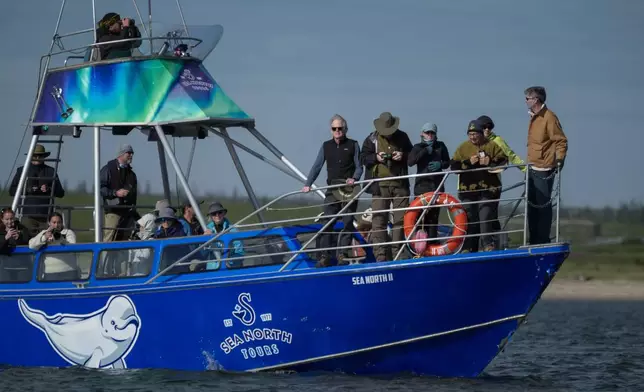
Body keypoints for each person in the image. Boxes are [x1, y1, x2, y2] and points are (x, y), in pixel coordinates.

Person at [302, 114, 363, 267]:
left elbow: (359, 166)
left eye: (340, 128)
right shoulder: (326, 146)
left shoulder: (354, 144)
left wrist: (354, 178)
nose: (337, 131)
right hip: (331, 190)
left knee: (348, 221)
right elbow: (317, 166)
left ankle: (342, 254)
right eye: (334, 128)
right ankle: (324, 256)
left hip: (349, 190)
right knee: (327, 221)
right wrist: (308, 184)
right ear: (331, 130)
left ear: (345, 129)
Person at [360, 111, 414, 262]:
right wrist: (376, 157)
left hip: (400, 185)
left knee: (400, 221)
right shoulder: (371, 139)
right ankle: (381, 256)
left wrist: (402, 155)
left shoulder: (403, 137)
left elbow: (412, 156)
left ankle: (399, 255)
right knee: (378, 221)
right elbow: (363, 157)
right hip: (379, 185)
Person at [450, 120, 508, 252]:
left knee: (485, 215)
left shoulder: (492, 145)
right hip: (468, 190)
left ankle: (488, 245)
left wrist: (490, 162)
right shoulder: (463, 147)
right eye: (470, 134)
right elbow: (453, 165)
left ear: (481, 134)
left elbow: (504, 161)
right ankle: (469, 247)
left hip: (488, 189)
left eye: (475, 134)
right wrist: (468, 162)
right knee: (469, 216)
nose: (472, 137)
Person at [524, 86, 568, 245]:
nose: (525, 102)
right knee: (531, 206)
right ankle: (533, 239)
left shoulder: (549, 117)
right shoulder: (534, 117)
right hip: (532, 166)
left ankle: (542, 239)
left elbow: (561, 140)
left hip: (544, 168)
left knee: (543, 205)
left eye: (527, 99)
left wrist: (559, 159)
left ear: (536, 100)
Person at [407, 122, 450, 244]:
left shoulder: (441, 146)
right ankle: (420, 247)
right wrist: (425, 151)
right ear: (422, 134)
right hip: (421, 187)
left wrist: (440, 164)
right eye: (427, 133)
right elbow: (411, 162)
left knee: (433, 218)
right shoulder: (417, 147)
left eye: (432, 133)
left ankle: (432, 245)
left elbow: (447, 162)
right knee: (421, 218)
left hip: (437, 186)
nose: (430, 135)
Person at [8, 144, 65, 237]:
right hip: (27, 216)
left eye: (40, 156)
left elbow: (61, 193)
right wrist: (27, 189)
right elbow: (12, 191)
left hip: (46, 217)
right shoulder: (21, 171)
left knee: (46, 242)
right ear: (30, 156)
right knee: (27, 242)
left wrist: (49, 189)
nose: (37, 158)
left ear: (44, 157)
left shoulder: (51, 171)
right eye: (35, 155)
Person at [99, 144, 139, 242]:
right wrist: (115, 193)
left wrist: (134, 212)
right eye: (128, 153)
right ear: (121, 154)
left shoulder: (132, 174)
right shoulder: (107, 169)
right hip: (113, 211)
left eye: (132, 153)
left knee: (124, 240)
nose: (131, 155)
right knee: (109, 239)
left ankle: (120, 258)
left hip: (127, 213)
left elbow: (134, 195)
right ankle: (105, 257)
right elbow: (101, 189)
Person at [29, 212, 78, 281]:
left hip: (68, 270)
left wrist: (60, 239)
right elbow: (31, 245)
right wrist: (44, 238)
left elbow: (73, 248)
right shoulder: (45, 232)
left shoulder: (68, 233)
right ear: (49, 223)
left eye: (59, 222)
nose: (56, 225)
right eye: (54, 222)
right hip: (51, 272)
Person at [205, 202, 244, 269]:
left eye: (219, 212)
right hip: (212, 271)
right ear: (211, 216)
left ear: (223, 213)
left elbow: (239, 253)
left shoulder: (233, 230)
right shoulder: (206, 231)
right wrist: (204, 241)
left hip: (230, 270)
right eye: (214, 213)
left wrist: (227, 263)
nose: (217, 215)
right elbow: (202, 254)